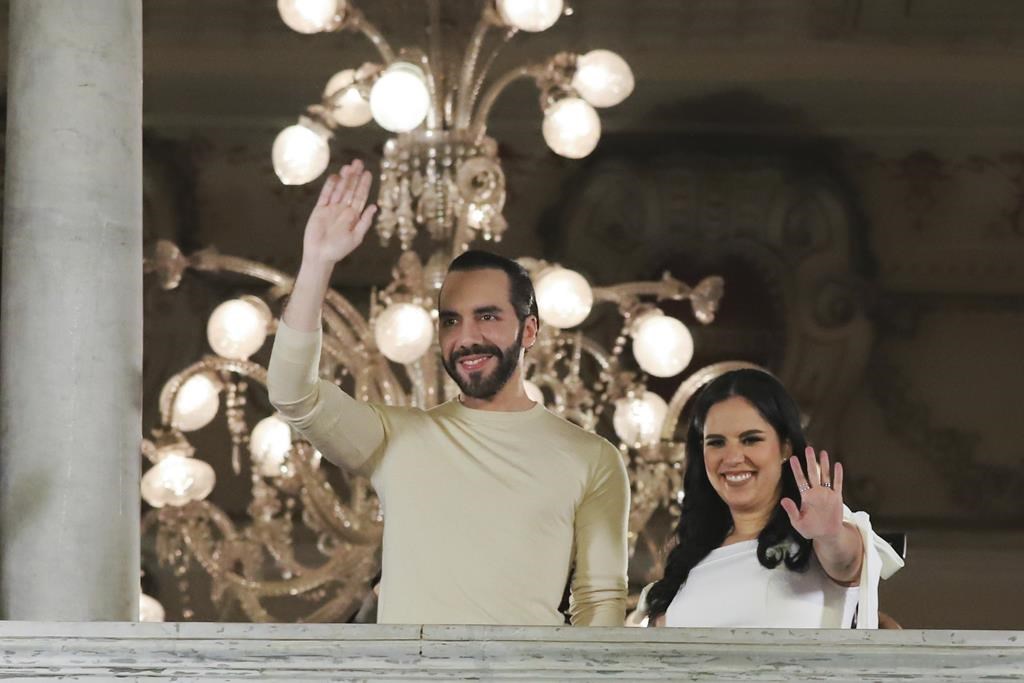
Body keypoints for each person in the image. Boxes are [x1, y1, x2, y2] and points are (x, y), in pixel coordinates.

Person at [267, 159, 630, 626]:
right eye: (451, 321)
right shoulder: (393, 439)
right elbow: (293, 393)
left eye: (488, 316)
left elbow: (600, 607)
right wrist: (317, 261)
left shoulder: (591, 459)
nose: (467, 337)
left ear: (530, 330)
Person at [638, 369, 903, 628]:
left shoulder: (819, 531)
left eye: (750, 440)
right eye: (716, 442)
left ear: (785, 447)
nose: (732, 458)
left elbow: (844, 562)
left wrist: (829, 534)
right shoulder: (688, 553)